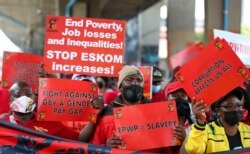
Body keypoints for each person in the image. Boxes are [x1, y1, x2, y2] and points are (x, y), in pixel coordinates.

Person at [91, 65, 185, 153]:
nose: (135, 83)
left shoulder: (156, 112)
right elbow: (94, 147)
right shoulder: (107, 113)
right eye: (129, 80)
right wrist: (106, 148)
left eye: (139, 80)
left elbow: (168, 150)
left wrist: (178, 141)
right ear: (120, 87)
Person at [6, 81, 102, 142]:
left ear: (33, 97)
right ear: (10, 101)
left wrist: (95, 114)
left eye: (27, 94)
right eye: (18, 95)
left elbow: (80, 139)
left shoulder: (49, 122)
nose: (24, 98)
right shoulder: (4, 124)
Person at [183, 87, 250, 153]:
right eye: (228, 106)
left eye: (239, 105)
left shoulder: (248, 130)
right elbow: (193, 151)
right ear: (217, 110)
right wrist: (200, 121)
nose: (235, 109)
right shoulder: (205, 130)